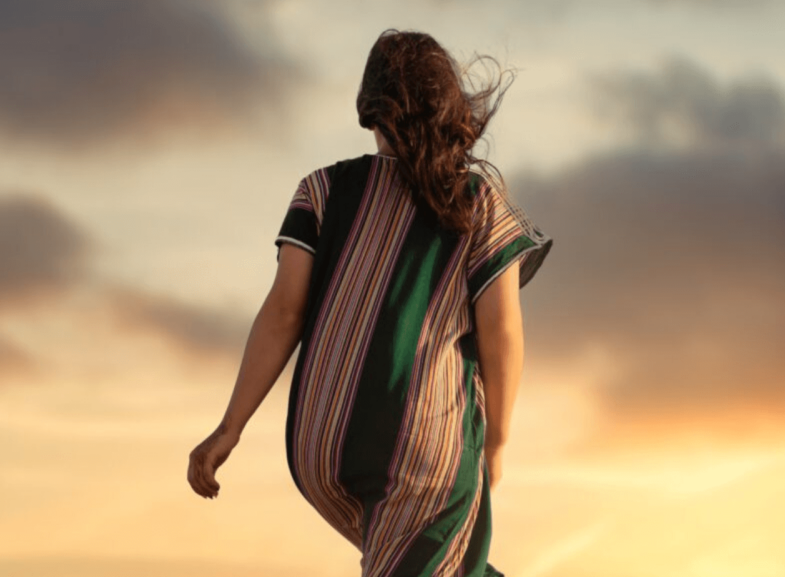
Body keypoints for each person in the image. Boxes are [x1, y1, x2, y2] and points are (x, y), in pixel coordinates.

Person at [187, 28, 552, 577]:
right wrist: (496, 444)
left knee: (434, 565)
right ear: (450, 110)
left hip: (322, 446)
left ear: (370, 112)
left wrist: (229, 427)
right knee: (438, 550)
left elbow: (283, 313)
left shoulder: (323, 190)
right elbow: (501, 332)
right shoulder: (475, 202)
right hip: (423, 451)